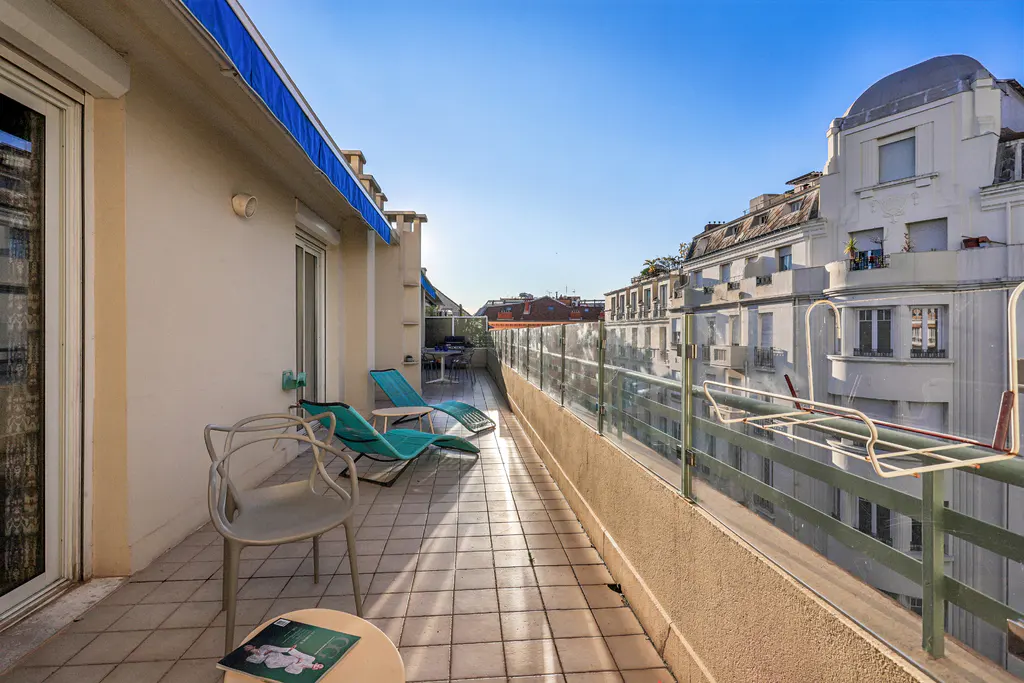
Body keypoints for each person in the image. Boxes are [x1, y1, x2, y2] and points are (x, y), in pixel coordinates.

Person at [243, 643, 324, 674]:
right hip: (271, 661)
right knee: (309, 659)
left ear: (254, 646)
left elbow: (287, 669)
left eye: (249, 647)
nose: (248, 648)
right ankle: (289, 650)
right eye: (319, 665)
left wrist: (297, 664)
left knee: (299, 659)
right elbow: (259, 660)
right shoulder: (250, 658)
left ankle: (289, 650)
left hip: (279, 659)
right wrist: (261, 654)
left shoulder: (298, 671)